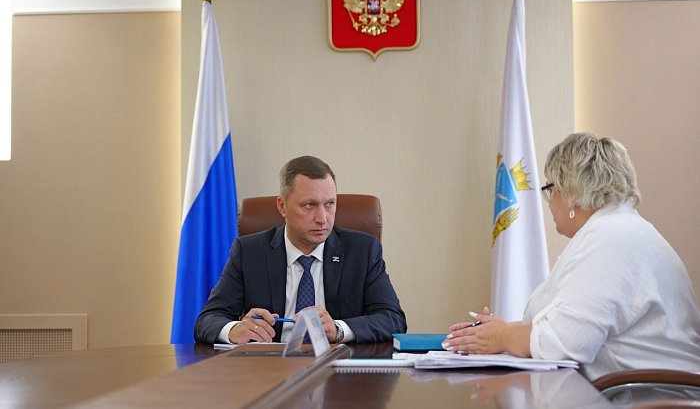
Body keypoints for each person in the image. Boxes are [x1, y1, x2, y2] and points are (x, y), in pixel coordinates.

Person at [443, 133, 700, 379]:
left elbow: (562, 344)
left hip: (649, 396)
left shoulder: (609, 238)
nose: (549, 201)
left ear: (570, 191)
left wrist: (503, 337)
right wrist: (497, 331)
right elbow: (565, 325)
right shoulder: (617, 231)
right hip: (642, 391)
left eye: (550, 189)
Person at [195, 155, 407, 344]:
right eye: (309, 205)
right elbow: (208, 320)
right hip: (270, 367)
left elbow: (393, 319)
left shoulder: (362, 251)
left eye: (330, 204)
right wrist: (234, 330)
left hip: (337, 368)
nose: (322, 218)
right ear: (282, 206)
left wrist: (339, 329)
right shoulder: (249, 252)